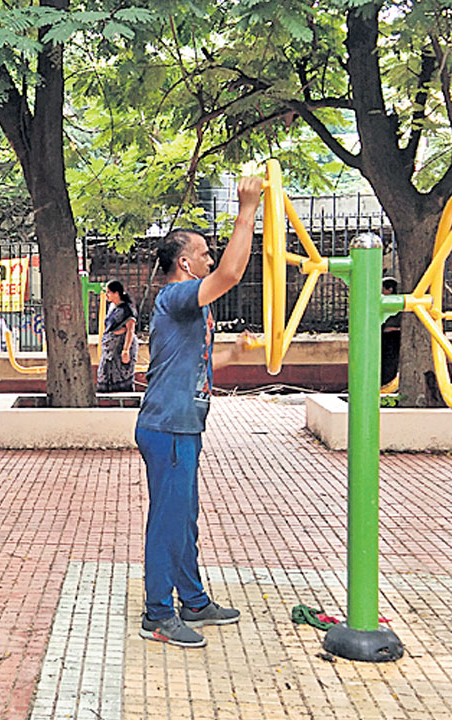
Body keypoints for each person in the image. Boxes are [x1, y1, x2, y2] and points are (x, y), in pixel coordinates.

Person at [134, 176, 261, 648]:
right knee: (168, 518)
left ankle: (192, 598)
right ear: (184, 262)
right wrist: (246, 209)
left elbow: (197, 362)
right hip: (167, 427)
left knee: (184, 515)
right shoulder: (175, 296)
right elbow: (229, 275)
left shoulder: (189, 312)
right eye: (204, 252)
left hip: (181, 425)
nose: (210, 257)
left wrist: (235, 355)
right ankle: (158, 613)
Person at [97, 280, 139, 392]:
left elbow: (130, 330)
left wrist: (125, 350)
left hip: (121, 345)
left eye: (109, 292)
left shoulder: (127, 309)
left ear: (116, 293)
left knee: (121, 374)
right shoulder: (112, 307)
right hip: (110, 347)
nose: (106, 295)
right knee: (105, 373)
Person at [381, 277, 401, 388]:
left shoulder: (393, 303)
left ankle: (385, 383)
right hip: (385, 336)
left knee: (389, 362)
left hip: (391, 337)